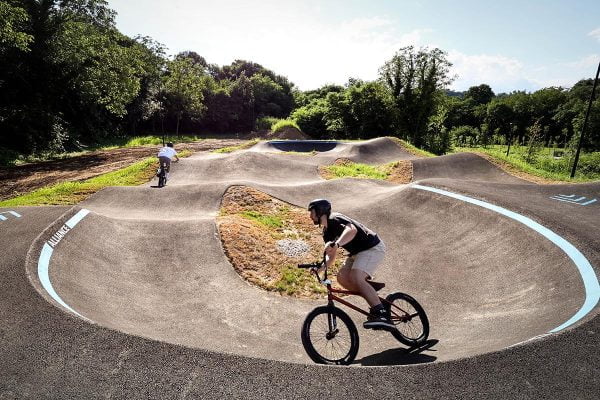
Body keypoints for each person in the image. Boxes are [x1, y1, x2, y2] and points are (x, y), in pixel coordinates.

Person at [308, 199, 393, 330]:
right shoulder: (326, 232)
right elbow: (330, 257)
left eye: (311, 211)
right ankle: (376, 301)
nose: (310, 216)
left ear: (320, 211)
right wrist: (320, 268)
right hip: (356, 253)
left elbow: (351, 230)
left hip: (371, 247)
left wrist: (337, 244)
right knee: (342, 277)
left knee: (356, 276)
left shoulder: (334, 218)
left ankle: (381, 314)